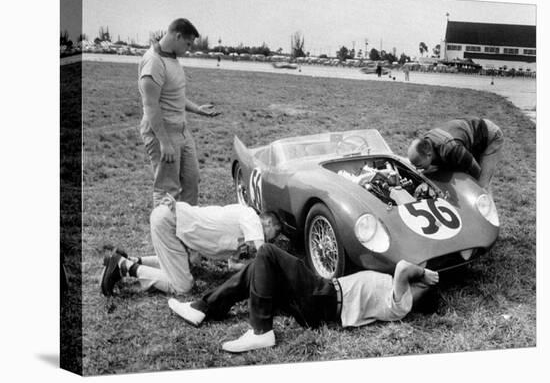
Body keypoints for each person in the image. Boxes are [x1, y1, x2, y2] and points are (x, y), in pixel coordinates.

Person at [167, 243, 439, 353]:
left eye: (418, 286)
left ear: (419, 293)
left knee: (268, 252)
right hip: (319, 302)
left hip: (325, 297)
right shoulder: (393, 296)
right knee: (260, 268)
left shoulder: (401, 304)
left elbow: (404, 267)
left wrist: (424, 273)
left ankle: (261, 330)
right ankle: (203, 307)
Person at [100, 195, 283, 297]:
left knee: (183, 265)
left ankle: (130, 260)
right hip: (170, 222)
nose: (268, 241)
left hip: (172, 223)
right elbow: (262, 250)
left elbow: (232, 265)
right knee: (183, 286)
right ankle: (123, 267)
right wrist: (276, 271)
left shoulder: (242, 234)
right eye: (271, 235)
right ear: (266, 223)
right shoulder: (251, 216)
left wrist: (245, 266)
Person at [139, 18, 220, 208]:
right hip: (163, 132)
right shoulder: (154, 62)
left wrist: (197, 109)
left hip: (182, 131)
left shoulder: (171, 58)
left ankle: (186, 229)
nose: (189, 49)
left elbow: (173, 96)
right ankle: (165, 233)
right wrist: (164, 142)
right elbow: (151, 106)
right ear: (177, 36)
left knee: (192, 180)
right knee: (168, 190)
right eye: (188, 43)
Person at [407, 117, 504, 190]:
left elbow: (476, 171)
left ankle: (488, 216)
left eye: (419, 165)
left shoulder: (453, 149)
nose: (417, 169)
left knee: (481, 186)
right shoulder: (426, 143)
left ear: (428, 155)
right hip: (467, 135)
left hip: (490, 135)